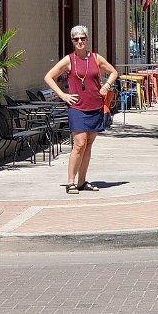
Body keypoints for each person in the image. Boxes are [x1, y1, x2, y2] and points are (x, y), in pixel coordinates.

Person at [44, 25, 118, 194]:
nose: (80, 41)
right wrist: (63, 95)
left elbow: (113, 72)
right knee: (79, 144)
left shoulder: (96, 58)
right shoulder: (69, 60)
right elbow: (48, 76)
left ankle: (82, 181)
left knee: (89, 145)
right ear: (72, 41)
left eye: (82, 38)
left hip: (96, 105)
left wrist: (106, 85)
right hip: (77, 107)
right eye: (76, 39)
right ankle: (71, 182)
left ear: (87, 39)